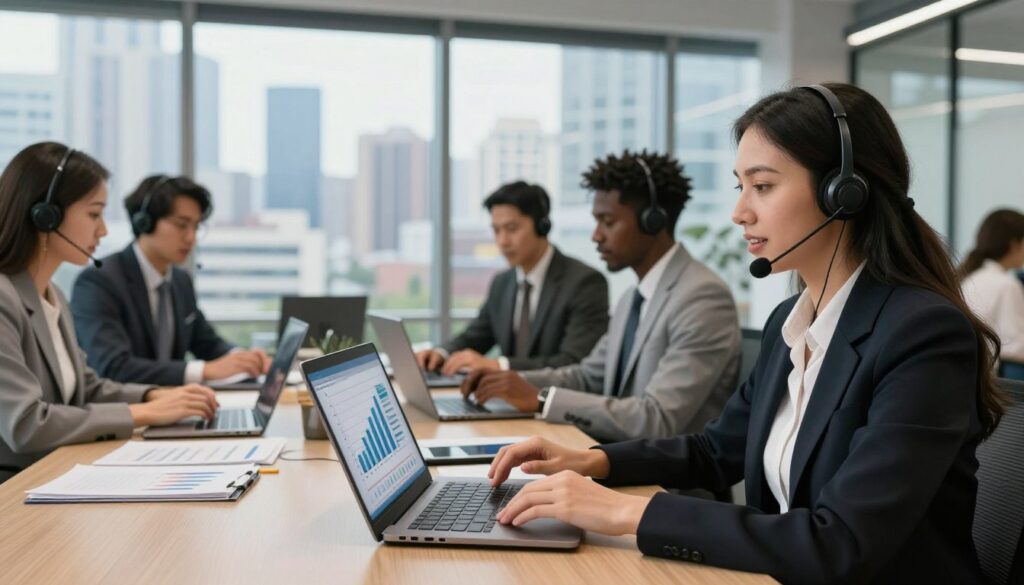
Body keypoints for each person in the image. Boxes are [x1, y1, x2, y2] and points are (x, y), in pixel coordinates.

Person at [483, 84, 1005, 583]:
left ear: (844, 192)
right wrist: (593, 461)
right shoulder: (790, 324)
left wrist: (626, 512)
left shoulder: (923, 334)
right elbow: (716, 451)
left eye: (763, 186)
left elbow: (841, 543)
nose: (740, 212)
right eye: (741, 187)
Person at [459, 151, 740, 443]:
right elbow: (586, 377)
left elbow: (656, 419)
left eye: (607, 221)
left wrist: (542, 400)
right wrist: (510, 383)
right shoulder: (633, 298)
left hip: (669, 482)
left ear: (652, 221)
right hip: (619, 459)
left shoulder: (702, 298)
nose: (596, 236)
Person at [0, 142, 219, 484]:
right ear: (46, 213)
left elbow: (85, 388)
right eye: (93, 213)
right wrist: (142, 413)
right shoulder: (4, 299)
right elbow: (26, 424)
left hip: (58, 474)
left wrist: (154, 395)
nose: (102, 230)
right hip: (17, 491)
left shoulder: (53, 294)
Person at [70, 174, 269, 386]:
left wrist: (244, 359)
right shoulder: (98, 282)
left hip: (176, 407)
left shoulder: (180, 281)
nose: (191, 237)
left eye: (196, 227)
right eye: (182, 225)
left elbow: (207, 343)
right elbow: (113, 366)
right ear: (144, 222)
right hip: (127, 412)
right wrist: (206, 370)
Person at [416, 181, 609, 374]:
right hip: (504, 400)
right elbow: (474, 337)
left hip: (555, 400)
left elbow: (574, 362)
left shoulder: (585, 283)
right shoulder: (502, 283)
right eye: (496, 230)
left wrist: (500, 366)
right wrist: (441, 353)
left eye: (511, 229)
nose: (502, 241)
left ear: (543, 226)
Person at [960, 208, 1024, 377]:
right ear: (1014, 243)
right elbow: (1015, 347)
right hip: (989, 379)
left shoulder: (970, 276)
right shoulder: (1006, 285)